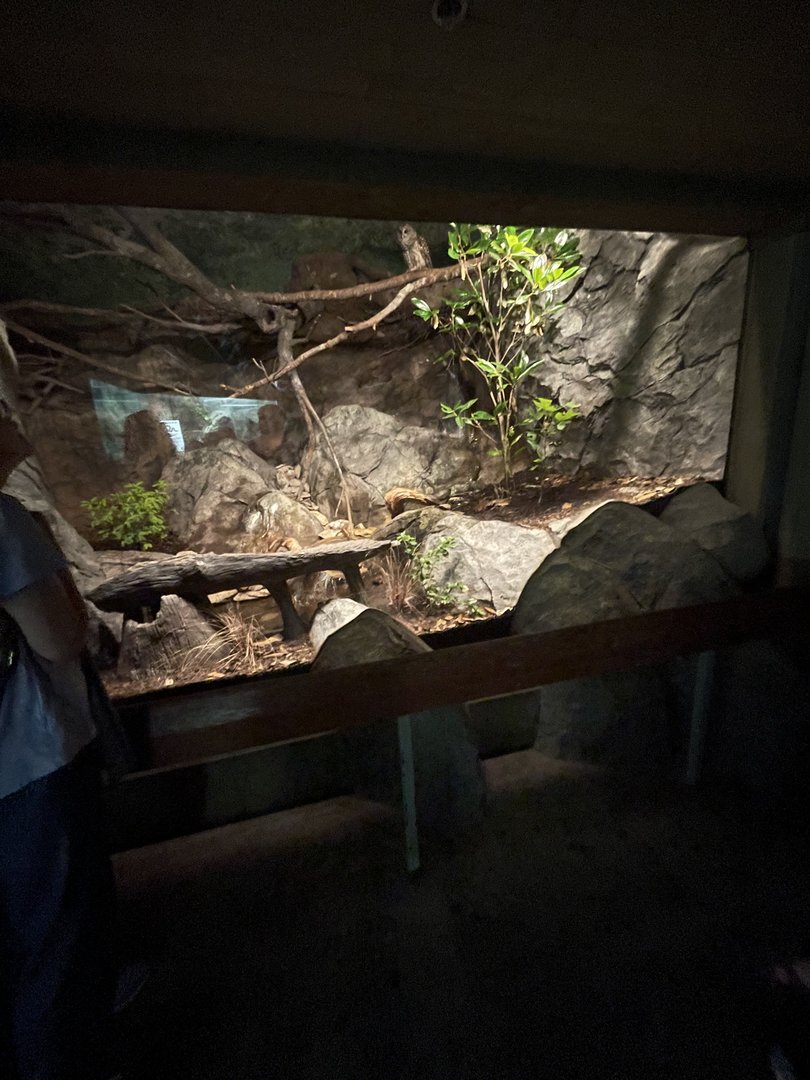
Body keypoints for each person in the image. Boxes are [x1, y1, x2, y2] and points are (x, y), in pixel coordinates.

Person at [0, 398, 117, 1079]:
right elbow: (61, 638)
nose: (14, 416)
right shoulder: (6, 523)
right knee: (56, 944)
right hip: (31, 768)